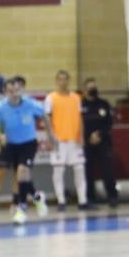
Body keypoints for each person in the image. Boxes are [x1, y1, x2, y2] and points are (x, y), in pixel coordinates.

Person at [0, 76, 48, 225]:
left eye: (16, 90)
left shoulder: (30, 104)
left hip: (28, 144)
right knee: (23, 178)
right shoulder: (0, 107)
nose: (13, 93)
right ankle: (37, 198)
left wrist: (51, 137)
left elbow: (44, 116)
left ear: (20, 90)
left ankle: (21, 209)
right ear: (5, 92)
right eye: (10, 91)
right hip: (11, 145)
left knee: (22, 172)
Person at [45, 70, 89, 212]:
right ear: (56, 81)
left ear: (69, 81)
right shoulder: (50, 98)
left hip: (74, 140)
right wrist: (51, 138)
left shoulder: (76, 97)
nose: (63, 82)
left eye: (65, 79)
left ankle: (83, 200)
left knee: (79, 169)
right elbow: (47, 120)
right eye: (60, 79)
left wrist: (81, 135)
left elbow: (80, 118)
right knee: (59, 170)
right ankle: (61, 201)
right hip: (59, 140)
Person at [82, 78, 118, 207]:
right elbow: (79, 125)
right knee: (87, 171)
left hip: (103, 142)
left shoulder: (104, 104)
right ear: (85, 90)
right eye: (90, 88)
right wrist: (88, 137)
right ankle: (90, 198)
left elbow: (109, 123)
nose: (93, 90)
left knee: (107, 170)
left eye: (94, 87)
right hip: (87, 143)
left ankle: (112, 196)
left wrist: (99, 134)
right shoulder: (81, 105)